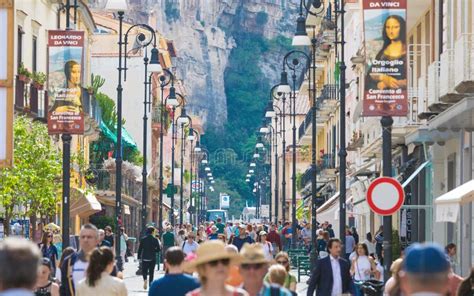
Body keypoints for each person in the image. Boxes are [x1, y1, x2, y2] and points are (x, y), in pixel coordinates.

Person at [60, 224, 121, 296]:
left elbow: (115, 285)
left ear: (97, 240)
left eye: (89, 237)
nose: (85, 240)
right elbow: (64, 289)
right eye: (83, 237)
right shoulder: (69, 262)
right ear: (79, 239)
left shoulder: (106, 261)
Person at [366, 15, 407, 90]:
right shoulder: (382, 52)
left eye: (395, 27)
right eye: (388, 27)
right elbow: (371, 73)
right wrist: (383, 77)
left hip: (401, 95)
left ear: (402, 28)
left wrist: (393, 83)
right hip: (382, 97)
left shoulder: (407, 51)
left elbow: (412, 77)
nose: (391, 31)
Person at [137, 226, 160, 290]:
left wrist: (138, 257)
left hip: (145, 257)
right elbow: (158, 249)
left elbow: (140, 249)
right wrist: (154, 250)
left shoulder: (143, 239)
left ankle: (145, 279)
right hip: (152, 258)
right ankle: (150, 284)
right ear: (152, 232)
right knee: (151, 272)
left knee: (144, 271)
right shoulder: (155, 239)